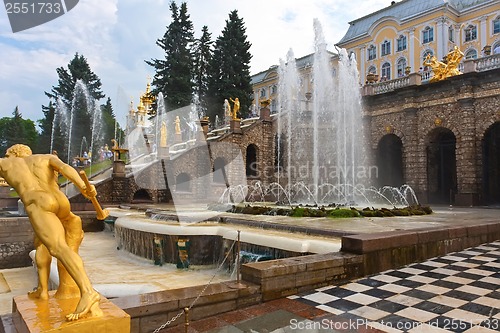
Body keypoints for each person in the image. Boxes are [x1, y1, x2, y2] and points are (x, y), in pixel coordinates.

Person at [0, 144, 101, 321]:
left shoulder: (4, 163)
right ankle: (43, 290)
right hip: (61, 202)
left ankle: (88, 292)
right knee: (41, 242)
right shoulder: (44, 157)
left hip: (38, 203)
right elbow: (65, 168)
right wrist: (83, 187)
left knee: (58, 248)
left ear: (11, 154)